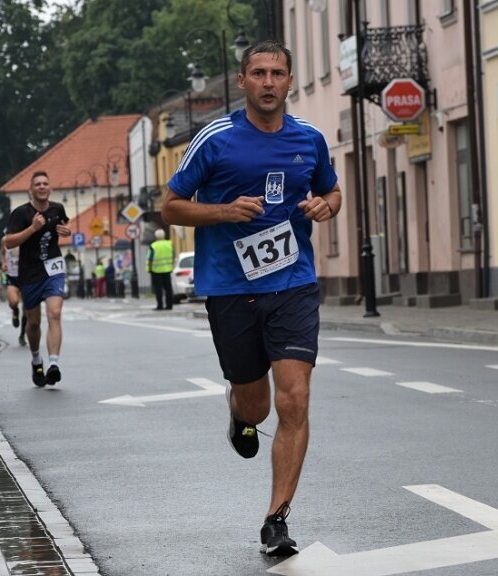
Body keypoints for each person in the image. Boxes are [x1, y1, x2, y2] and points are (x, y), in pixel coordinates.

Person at [162, 39, 341, 558]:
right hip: (230, 288)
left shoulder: (309, 139)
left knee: (295, 398)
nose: (268, 82)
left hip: (293, 284)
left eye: (277, 73)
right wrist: (224, 212)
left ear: (290, 81)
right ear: (242, 81)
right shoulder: (216, 139)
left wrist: (326, 207)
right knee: (257, 403)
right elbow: (170, 205)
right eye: (258, 73)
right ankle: (240, 414)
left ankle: (276, 519)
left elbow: (332, 191)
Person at [4, 171, 71, 386]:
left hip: (53, 268)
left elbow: (62, 228)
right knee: (33, 323)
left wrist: (66, 231)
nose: (42, 187)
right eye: (38, 184)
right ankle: (36, 360)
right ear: (31, 190)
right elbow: (9, 242)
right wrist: (32, 228)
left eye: (45, 183)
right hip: (30, 273)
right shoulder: (20, 214)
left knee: (55, 313)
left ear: (49, 188)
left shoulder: (57, 209)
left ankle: (53, 365)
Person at [0, 235, 27, 346]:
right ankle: (15, 311)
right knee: (13, 301)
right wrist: (3, 263)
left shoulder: (27, 236)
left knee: (27, 310)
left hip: (26, 277)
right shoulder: (5, 239)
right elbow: (2, 253)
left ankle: (22, 335)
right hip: (11, 276)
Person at [146, 229, 174, 310]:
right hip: (167, 269)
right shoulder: (169, 244)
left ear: (156, 236)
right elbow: (173, 255)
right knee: (168, 289)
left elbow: (150, 258)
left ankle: (160, 305)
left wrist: (149, 268)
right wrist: (171, 265)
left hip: (156, 270)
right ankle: (169, 305)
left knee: (158, 289)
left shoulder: (153, 246)